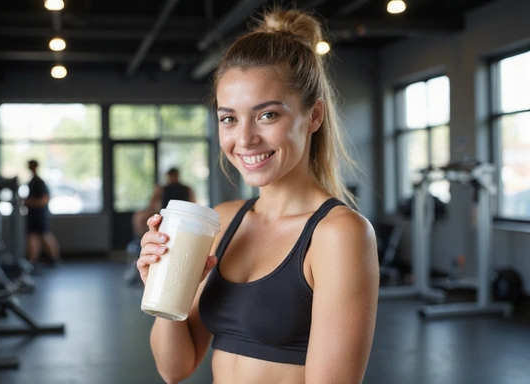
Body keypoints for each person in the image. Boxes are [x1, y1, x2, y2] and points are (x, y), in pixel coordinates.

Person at [137, 7, 379, 383]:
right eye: (229, 118)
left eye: (267, 115)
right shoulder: (224, 219)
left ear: (313, 116)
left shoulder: (339, 235)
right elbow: (175, 368)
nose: (245, 139)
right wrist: (162, 286)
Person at [132, 167, 195, 238]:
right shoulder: (161, 189)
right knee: (139, 217)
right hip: (165, 215)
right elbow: (152, 205)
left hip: (180, 216)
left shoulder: (187, 189)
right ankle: (139, 240)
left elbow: (193, 205)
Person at [24, 159, 61, 266]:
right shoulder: (33, 180)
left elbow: (44, 200)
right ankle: (33, 260)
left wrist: (29, 202)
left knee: (44, 235)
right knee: (34, 236)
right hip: (34, 214)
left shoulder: (39, 182)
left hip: (39, 214)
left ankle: (53, 258)